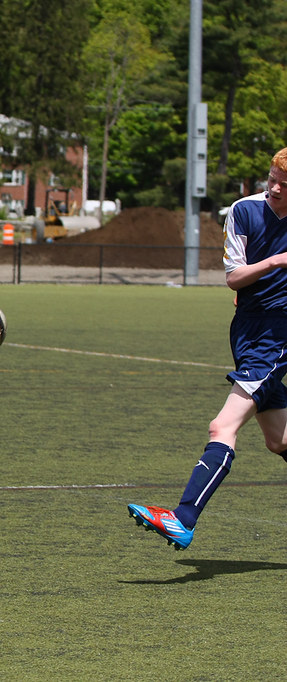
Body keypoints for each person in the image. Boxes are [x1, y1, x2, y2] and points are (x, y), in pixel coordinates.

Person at [128, 147, 287, 550]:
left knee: (223, 427)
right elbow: (234, 278)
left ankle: (183, 518)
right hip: (246, 330)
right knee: (279, 440)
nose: (274, 188)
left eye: (283, 185)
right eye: (271, 178)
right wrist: (276, 262)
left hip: (278, 336)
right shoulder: (244, 211)